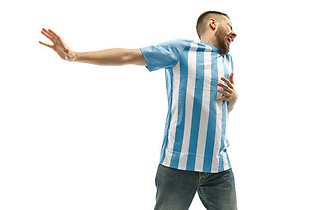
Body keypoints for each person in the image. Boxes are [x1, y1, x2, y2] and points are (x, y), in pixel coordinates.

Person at [39, 11, 238, 210]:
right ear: (213, 24)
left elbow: (221, 111)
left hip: (219, 170)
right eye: (229, 26)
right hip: (178, 168)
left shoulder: (228, 61)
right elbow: (127, 55)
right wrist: (75, 56)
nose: (234, 33)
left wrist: (234, 98)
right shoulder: (183, 50)